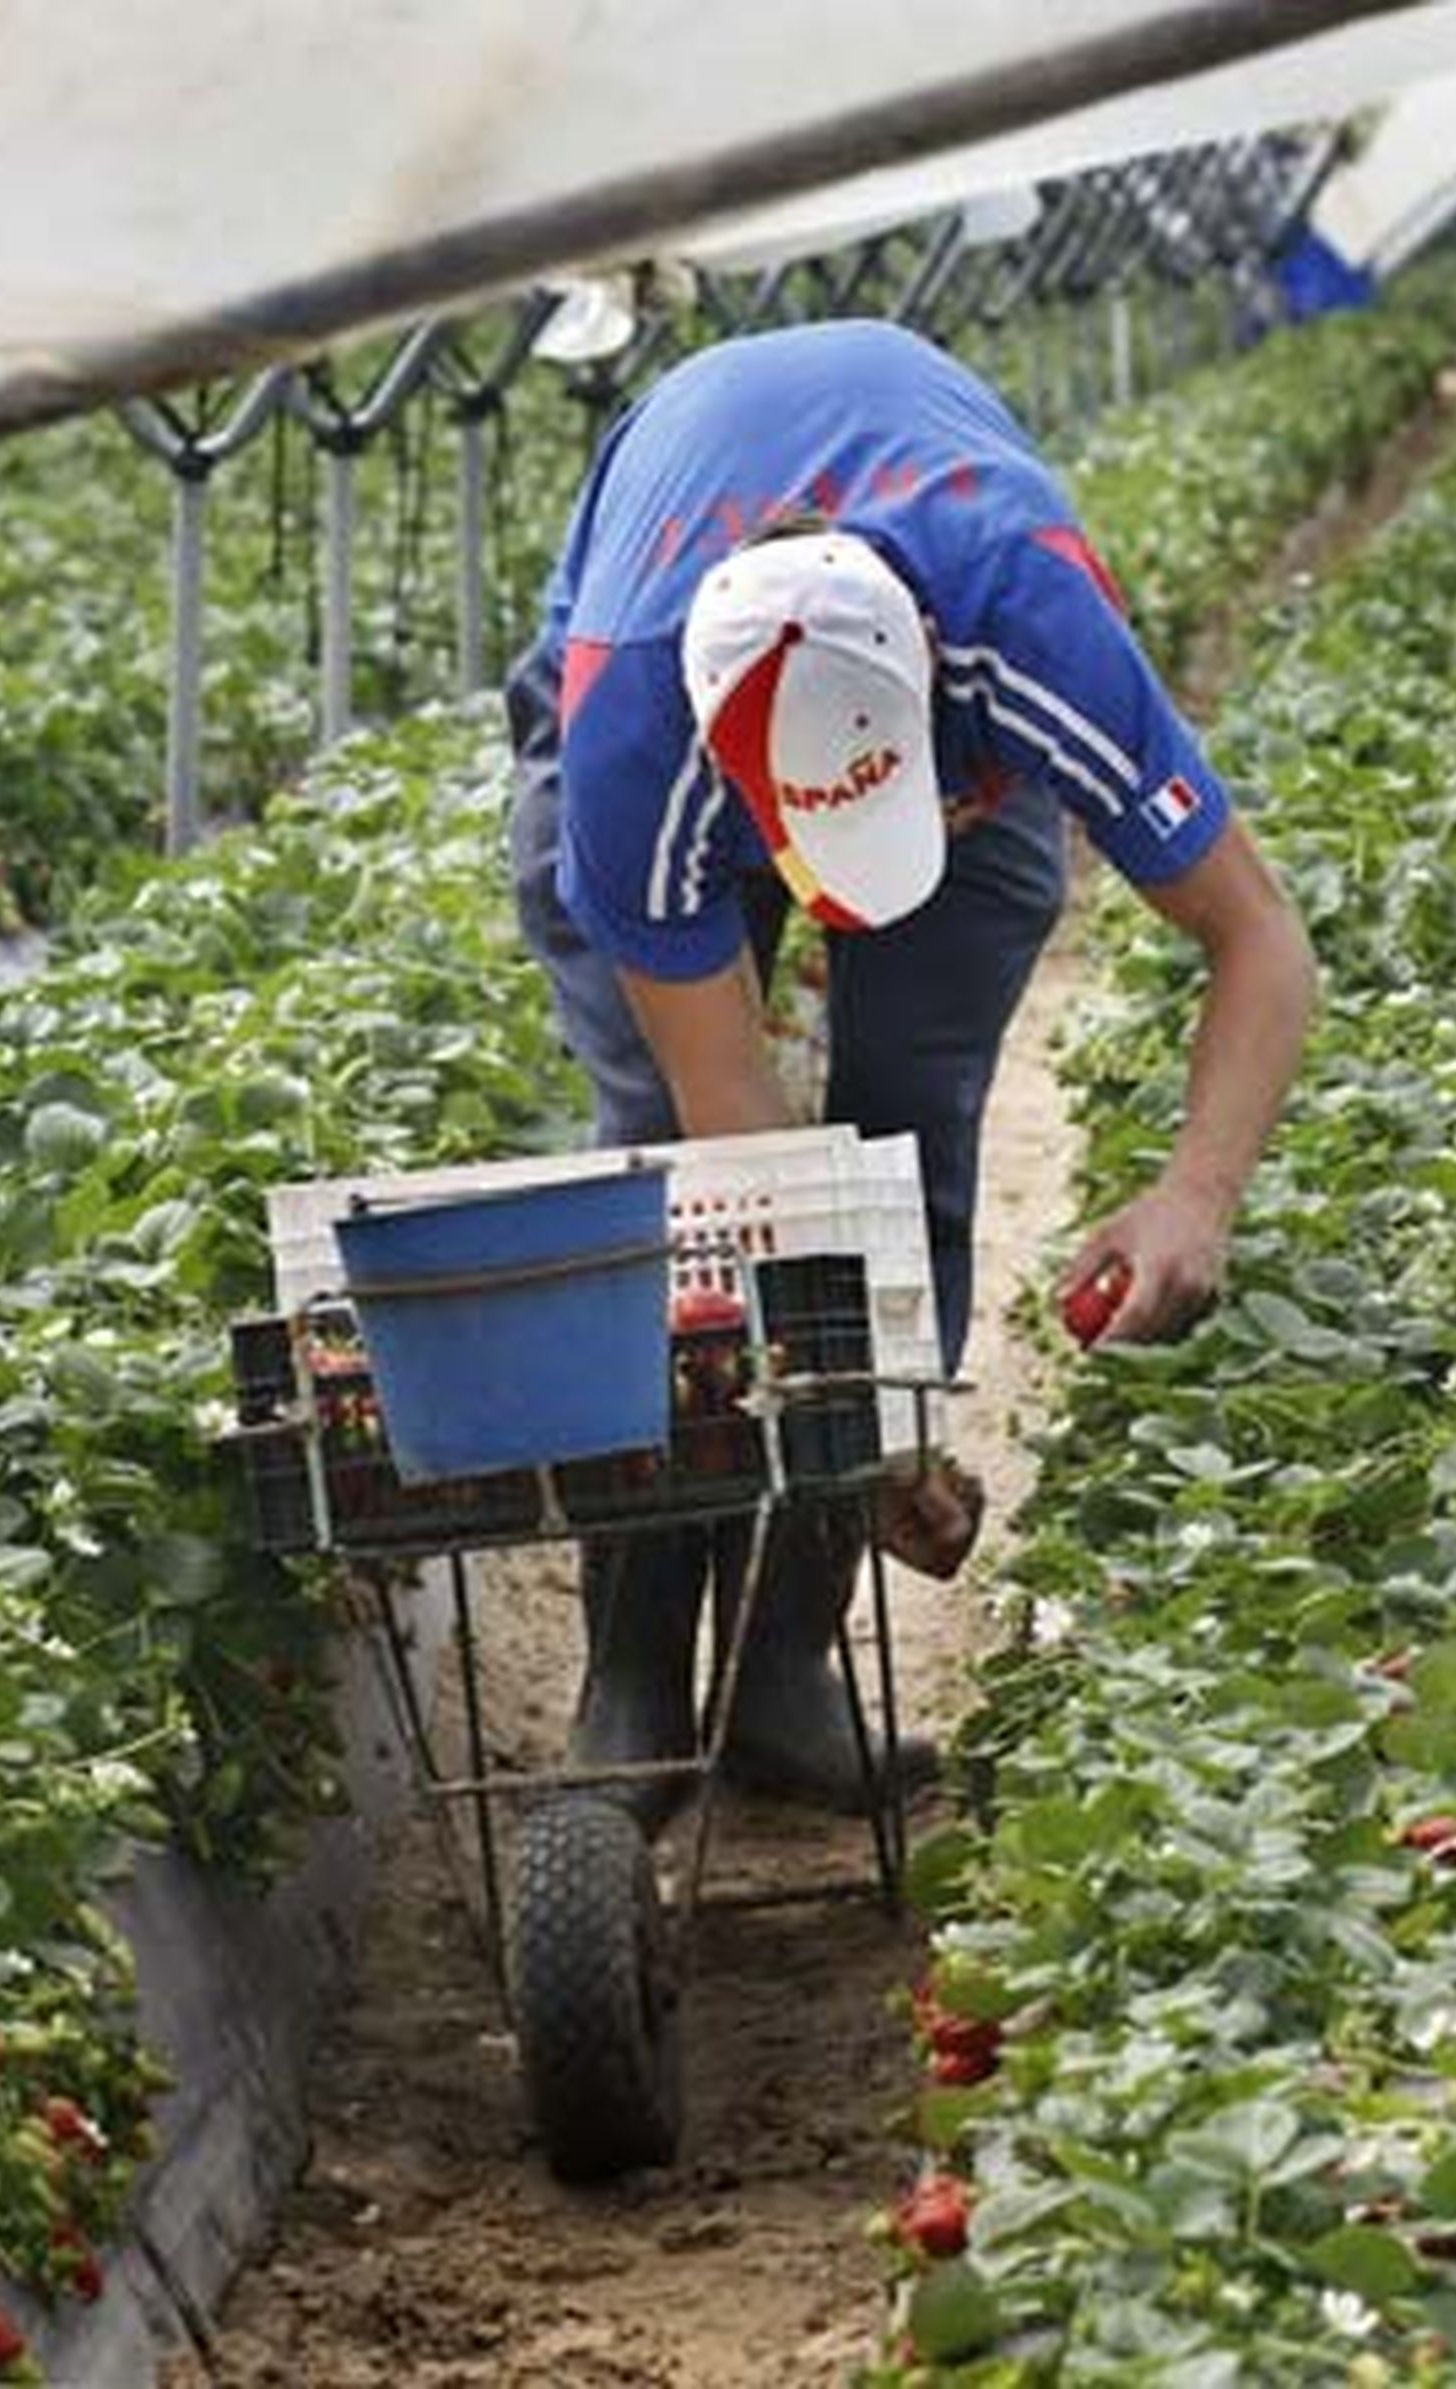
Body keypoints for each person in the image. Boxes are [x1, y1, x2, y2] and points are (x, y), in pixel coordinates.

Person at [504, 317, 1316, 1822]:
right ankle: (630, 1675)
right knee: (662, 1179)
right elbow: (736, 1154)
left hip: (951, 660)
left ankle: (786, 1673)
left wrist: (1197, 1196)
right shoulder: (636, 744)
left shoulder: (1024, 616)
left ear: (942, 688)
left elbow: (1262, 941)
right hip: (657, 668)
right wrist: (849, 1426)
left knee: (903, 1145)